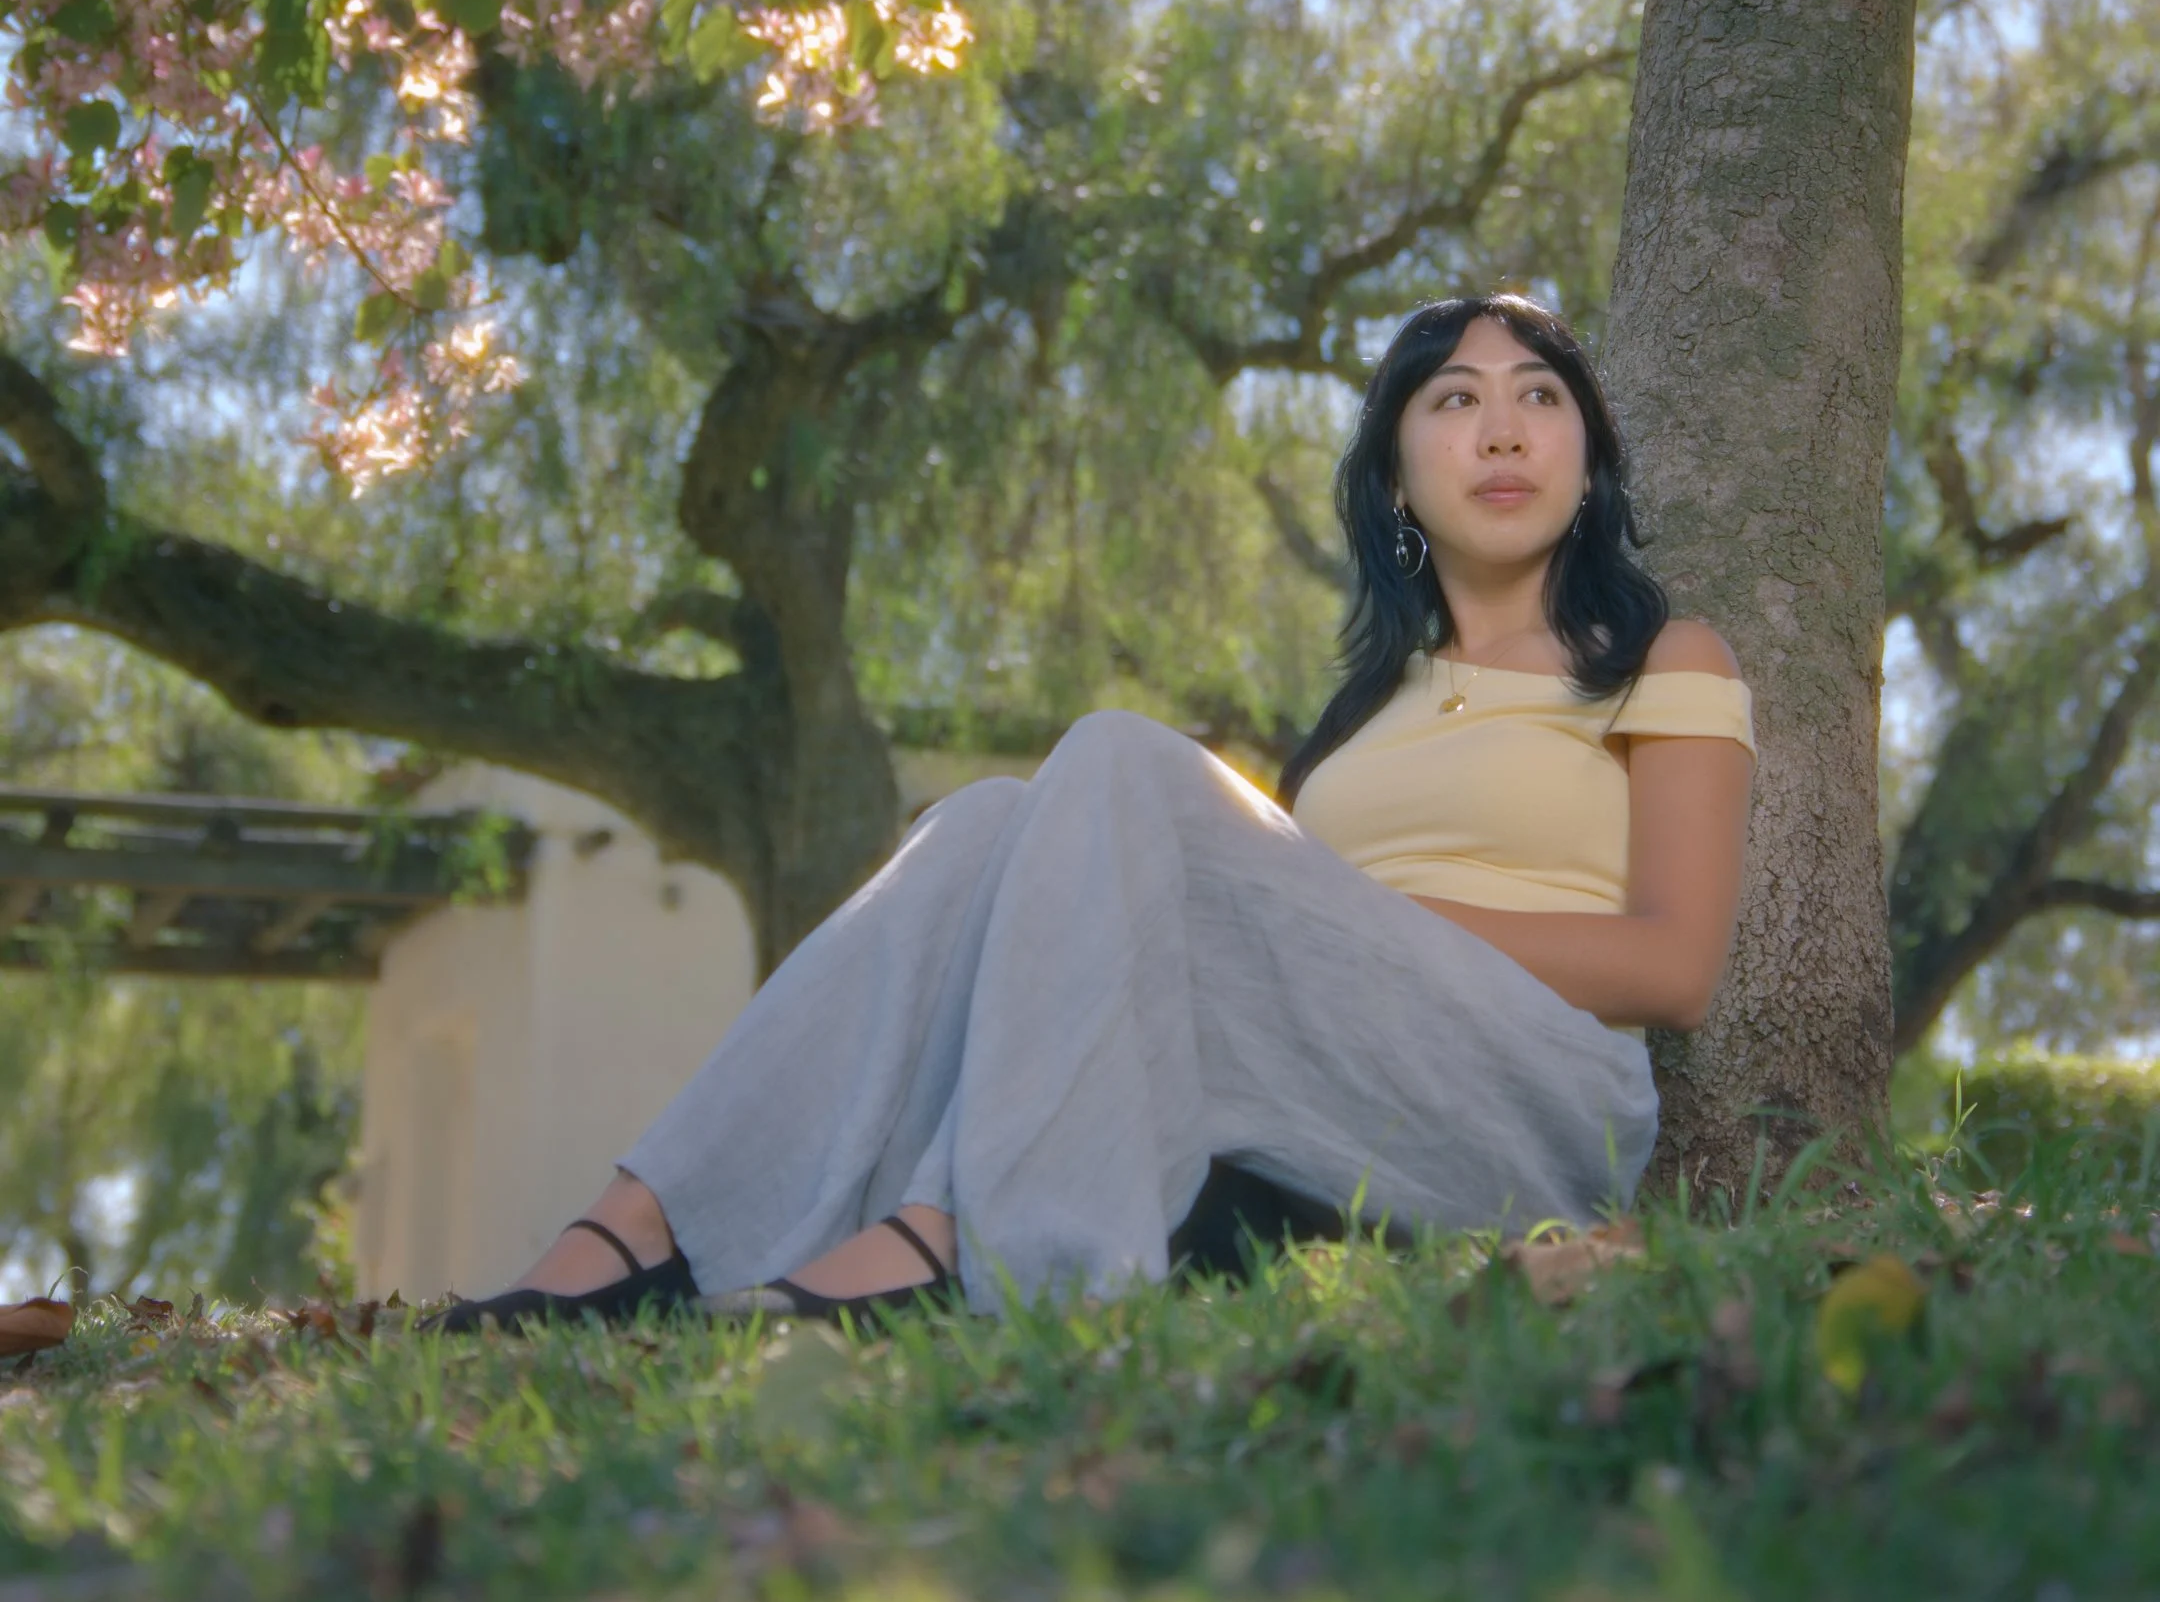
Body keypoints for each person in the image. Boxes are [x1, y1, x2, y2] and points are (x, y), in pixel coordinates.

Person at [435, 293, 1754, 1332]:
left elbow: (1674, 967)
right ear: (1398, 481)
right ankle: (647, 1226)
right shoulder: (1362, 721)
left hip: (1526, 1105)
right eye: (1455, 401)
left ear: (1590, 459)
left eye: (1541, 399)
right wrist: (1333, 923)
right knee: (982, 825)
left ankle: (981, 1240)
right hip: (1322, 1115)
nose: (1506, 431)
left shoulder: (1662, 659)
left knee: (1123, 756)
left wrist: (1380, 915)